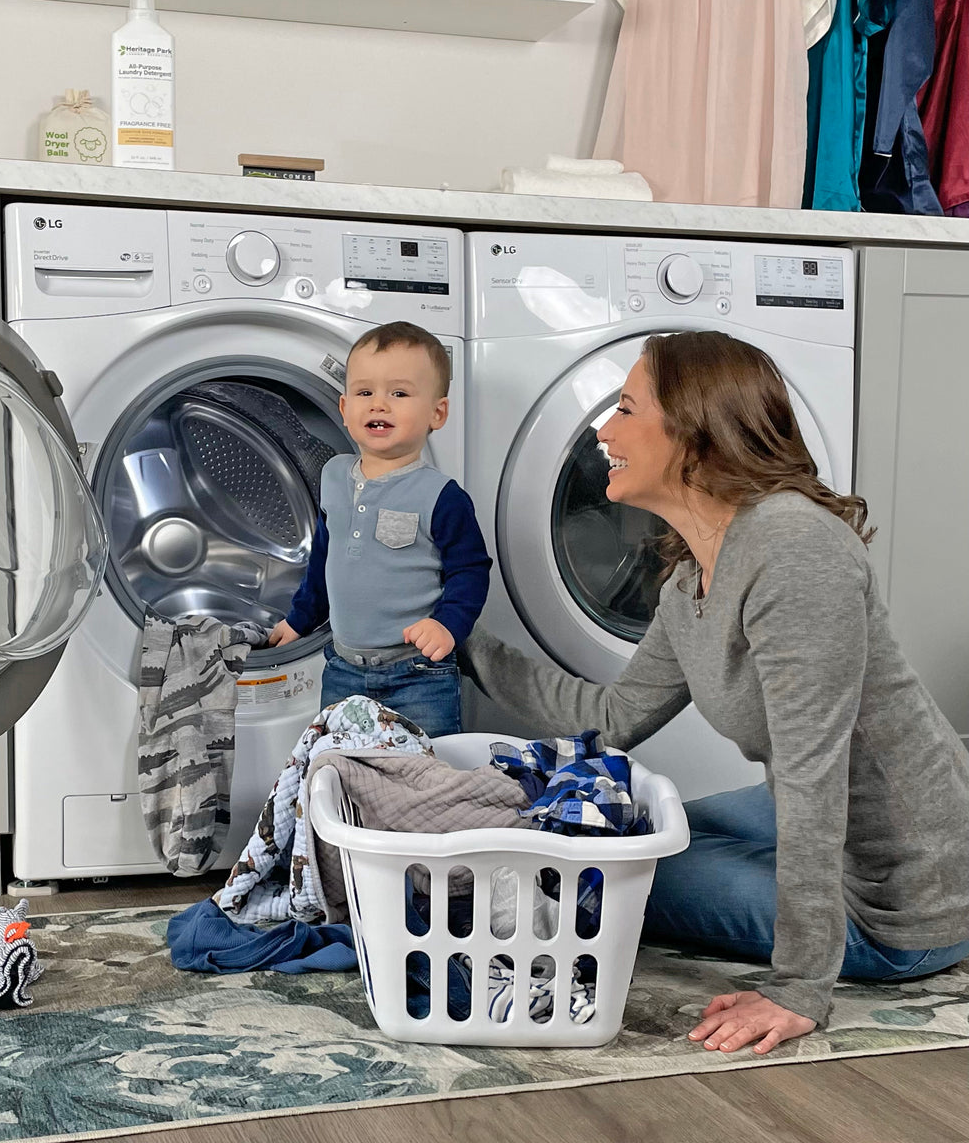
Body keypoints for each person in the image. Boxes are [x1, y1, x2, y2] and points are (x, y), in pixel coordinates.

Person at [461, 330, 969, 1056]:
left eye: (627, 410)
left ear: (694, 431)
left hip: (904, 901)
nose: (605, 430)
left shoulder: (793, 550)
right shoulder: (691, 577)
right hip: (845, 824)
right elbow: (608, 720)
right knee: (629, 839)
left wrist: (798, 987)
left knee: (599, 874)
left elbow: (810, 779)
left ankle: (843, 950)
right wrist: (462, 643)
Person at [268, 321, 491, 738]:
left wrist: (448, 625)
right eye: (365, 393)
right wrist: (299, 621)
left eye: (399, 394)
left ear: (436, 413)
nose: (379, 405)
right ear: (344, 407)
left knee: (425, 780)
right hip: (342, 670)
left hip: (417, 673)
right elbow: (324, 560)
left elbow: (471, 571)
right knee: (342, 777)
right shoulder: (333, 476)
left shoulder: (441, 496)